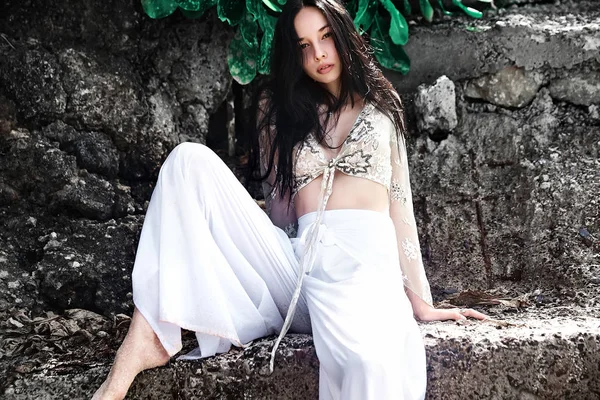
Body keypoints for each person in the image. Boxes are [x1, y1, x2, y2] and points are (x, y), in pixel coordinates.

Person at [93, 0, 487, 399]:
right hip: (300, 273)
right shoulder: (279, 113)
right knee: (186, 161)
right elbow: (282, 219)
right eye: (303, 45)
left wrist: (421, 303)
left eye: (326, 37)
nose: (317, 54)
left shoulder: (383, 110)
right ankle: (143, 345)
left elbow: (400, 208)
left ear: (344, 35)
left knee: (369, 362)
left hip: (364, 276)